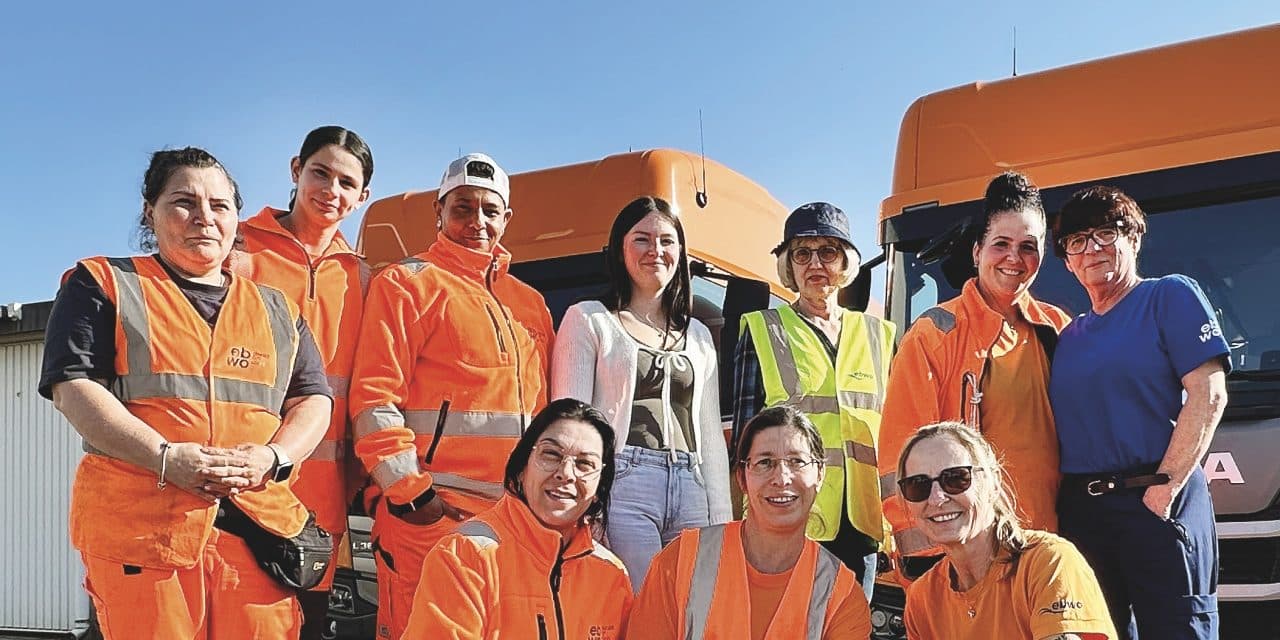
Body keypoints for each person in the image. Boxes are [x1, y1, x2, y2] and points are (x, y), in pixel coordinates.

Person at [38, 147, 333, 639]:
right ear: (149, 211)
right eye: (184, 202)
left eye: (219, 205)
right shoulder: (104, 283)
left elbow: (313, 399)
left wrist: (272, 456)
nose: (204, 218)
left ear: (237, 217)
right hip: (143, 535)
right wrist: (166, 457)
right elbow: (73, 387)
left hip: (257, 535)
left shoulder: (277, 309)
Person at [349, 152, 555, 640]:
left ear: (506, 219)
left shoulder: (531, 304)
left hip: (513, 523)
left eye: (489, 210)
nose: (476, 221)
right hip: (431, 518)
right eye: (462, 207)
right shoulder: (406, 283)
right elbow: (375, 401)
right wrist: (412, 497)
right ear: (438, 213)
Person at [1049, 186, 1228, 639]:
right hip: (1084, 514)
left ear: (1134, 239)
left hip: (1156, 499)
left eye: (1106, 233)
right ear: (1068, 261)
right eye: (1077, 241)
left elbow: (1209, 394)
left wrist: (1164, 490)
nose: (1092, 249)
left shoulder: (1168, 296)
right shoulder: (1068, 337)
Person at [879, 172, 1071, 579]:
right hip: (966, 549)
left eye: (1028, 247)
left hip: (1047, 545)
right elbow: (901, 447)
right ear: (977, 250)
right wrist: (917, 544)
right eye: (1001, 244)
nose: (1014, 258)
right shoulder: (934, 334)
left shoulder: (1059, 329)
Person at [229, 125, 373, 637]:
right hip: (244, 487)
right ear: (296, 170)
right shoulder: (237, 246)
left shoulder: (362, 277)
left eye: (346, 182)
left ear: (362, 197)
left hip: (322, 501)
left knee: (307, 628)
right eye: (320, 173)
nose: (330, 191)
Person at [550, 195, 732, 591]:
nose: (656, 251)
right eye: (642, 240)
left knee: (693, 606)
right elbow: (571, 425)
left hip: (691, 483)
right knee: (642, 604)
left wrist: (722, 522)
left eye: (667, 241)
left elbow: (711, 435)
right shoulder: (589, 319)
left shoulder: (698, 335)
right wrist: (583, 504)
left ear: (680, 252)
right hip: (625, 481)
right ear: (620, 249)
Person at [732, 202, 895, 596]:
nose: (815, 263)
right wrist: (749, 525)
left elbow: (895, 435)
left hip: (863, 525)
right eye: (802, 253)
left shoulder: (879, 335)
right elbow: (743, 441)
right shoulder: (764, 331)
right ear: (789, 265)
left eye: (828, 251)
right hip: (789, 515)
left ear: (846, 264)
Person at [629, 406, 873, 639]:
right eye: (765, 462)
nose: (781, 478)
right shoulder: (680, 562)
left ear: (820, 474)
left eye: (797, 461)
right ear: (742, 479)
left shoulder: (841, 594)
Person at [402, 398, 632, 639]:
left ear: (599, 489)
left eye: (585, 464)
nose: (565, 473)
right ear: (522, 468)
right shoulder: (466, 555)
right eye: (551, 454)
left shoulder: (611, 575)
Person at [898, 422, 1117, 640]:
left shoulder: (1048, 561)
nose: (937, 498)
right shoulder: (922, 599)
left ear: (993, 482)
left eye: (956, 478)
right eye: (918, 485)